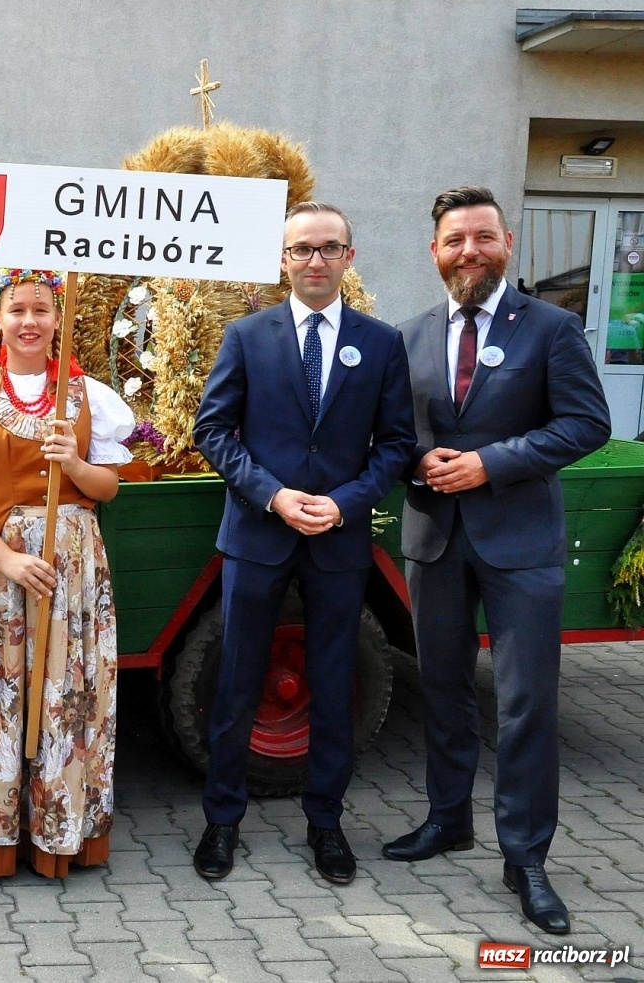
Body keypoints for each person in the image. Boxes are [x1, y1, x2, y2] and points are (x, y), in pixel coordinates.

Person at [385, 186, 609, 935]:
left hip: (520, 545)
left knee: (524, 704)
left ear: (507, 242)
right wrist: (419, 460)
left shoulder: (551, 327)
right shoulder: (407, 337)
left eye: (483, 236)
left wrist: (490, 463)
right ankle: (448, 819)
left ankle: (526, 857)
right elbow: (388, 436)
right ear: (435, 252)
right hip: (434, 540)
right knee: (444, 689)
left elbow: (586, 423)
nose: (469, 251)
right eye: (456, 240)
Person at [188, 202, 415, 886]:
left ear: (349, 256)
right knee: (236, 682)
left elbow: (397, 442)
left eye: (329, 248)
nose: (315, 260)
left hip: (338, 543)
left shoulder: (380, 344)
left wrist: (344, 502)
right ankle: (222, 820)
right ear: (283, 260)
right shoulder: (247, 336)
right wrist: (274, 494)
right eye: (302, 250)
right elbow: (215, 431)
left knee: (333, 679)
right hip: (260, 533)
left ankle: (326, 823)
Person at [0, 268, 133, 879]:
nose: (30, 321)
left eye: (42, 309)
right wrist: (4, 557)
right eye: (18, 310)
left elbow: (108, 488)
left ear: (58, 319)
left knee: (67, 695)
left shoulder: (89, 396)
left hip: (73, 567)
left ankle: (58, 829)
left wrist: (76, 464)